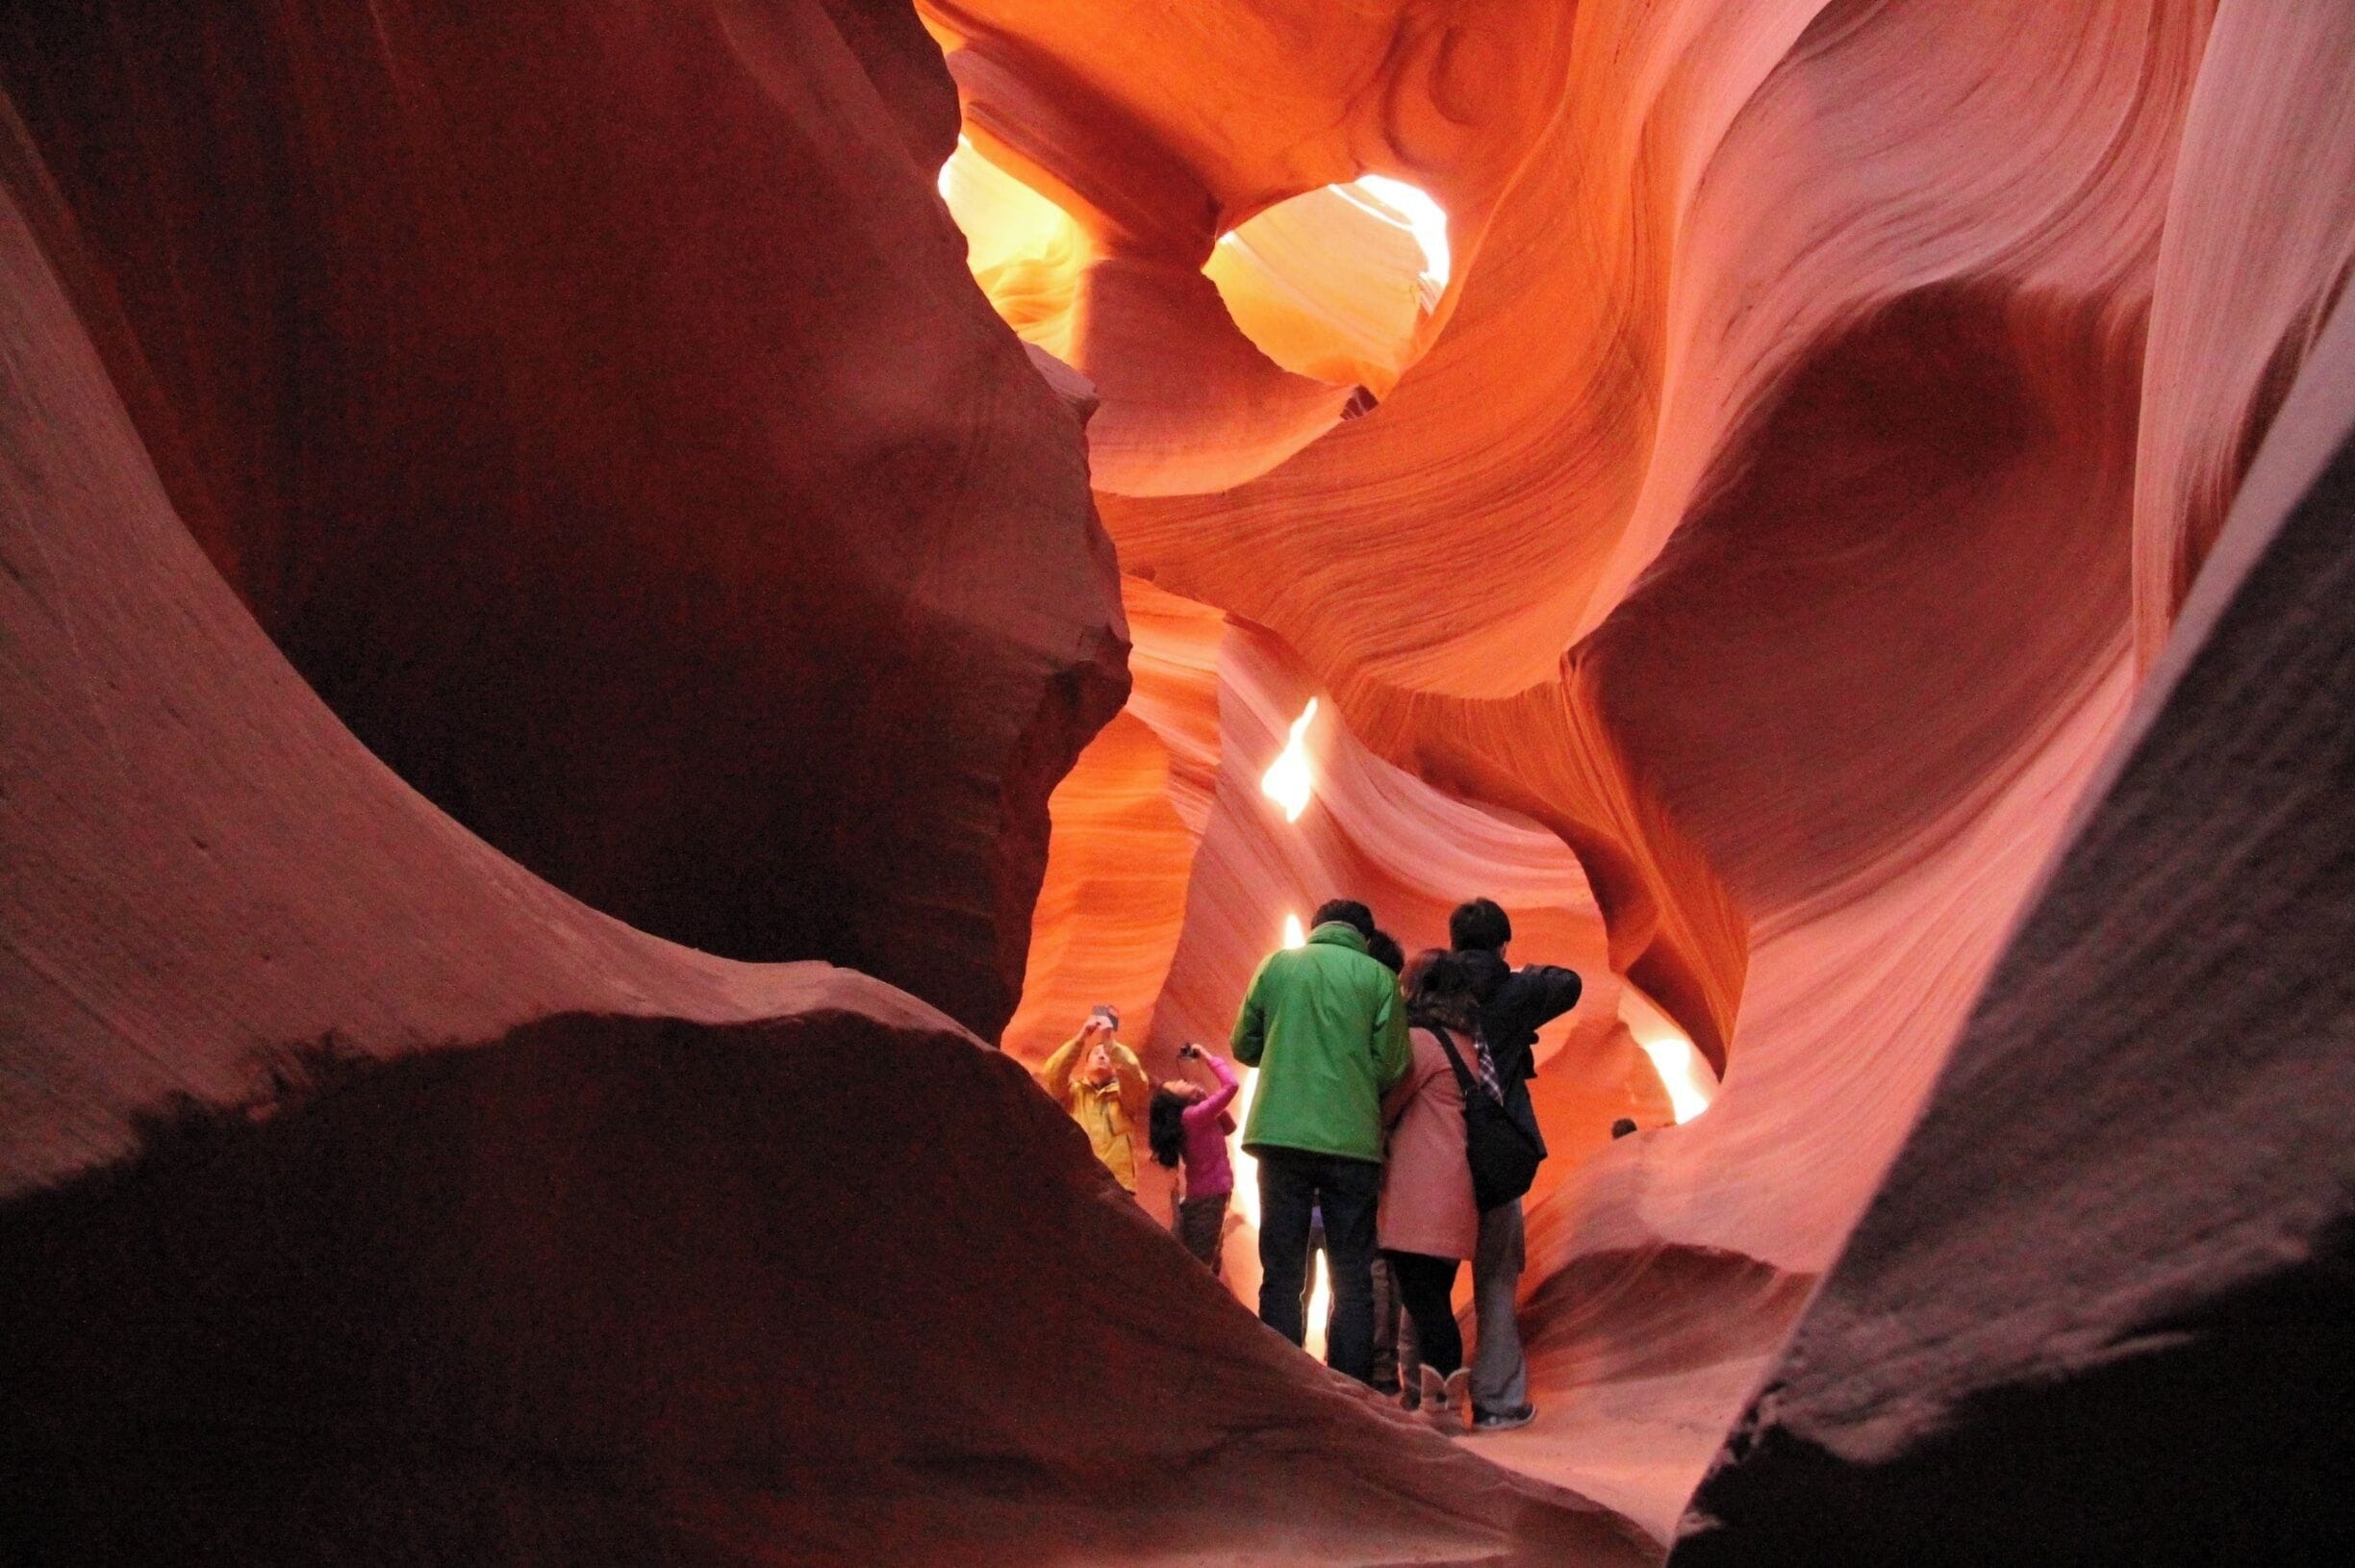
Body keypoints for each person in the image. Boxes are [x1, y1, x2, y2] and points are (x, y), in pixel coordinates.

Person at [1231, 898, 1411, 1384]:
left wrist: (1287, 1053)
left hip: (1279, 1135)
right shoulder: (1379, 979)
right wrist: (1354, 1080)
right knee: (1352, 1278)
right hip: (1351, 1144)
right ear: (1364, 938)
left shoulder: (1276, 966)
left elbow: (1243, 1044)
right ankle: (1349, 1388)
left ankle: (1281, 1385)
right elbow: (1394, 1065)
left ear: (1317, 928)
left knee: (1281, 1272)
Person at [1449, 898, 1583, 1432]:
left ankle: (1421, 1396)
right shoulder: (1517, 992)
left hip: (1435, 1151)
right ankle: (1497, 1402)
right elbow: (1568, 983)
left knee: (1426, 1281)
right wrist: (1522, 973)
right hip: (1497, 1156)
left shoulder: (1432, 991)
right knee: (1497, 1279)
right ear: (1502, 944)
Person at [1379, 949, 1485, 1427]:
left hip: (1421, 1194)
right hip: (1455, 1194)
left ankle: (1439, 1410)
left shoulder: (1421, 1042)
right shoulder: (1466, 1044)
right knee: (1433, 1300)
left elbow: (1388, 1105)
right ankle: (1441, 1404)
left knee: (1426, 1304)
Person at [1039, 1006, 1152, 1195]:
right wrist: (1081, 1037)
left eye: (1106, 1054)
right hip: (1078, 1180)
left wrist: (1109, 1042)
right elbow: (1052, 1073)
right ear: (1085, 1066)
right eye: (1096, 1053)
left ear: (1114, 1067)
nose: (1102, 1055)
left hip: (1118, 1185)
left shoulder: (1125, 1097)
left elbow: (1134, 1074)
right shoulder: (1072, 1094)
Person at [1148, 1044, 1240, 1275]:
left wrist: (1205, 1097)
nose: (1183, 1081)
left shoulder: (1196, 1114)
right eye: (1177, 1084)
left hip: (1211, 1195)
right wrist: (1208, 1056)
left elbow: (1229, 1127)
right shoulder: (1192, 1117)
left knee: (1206, 1256)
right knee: (1201, 1264)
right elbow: (1232, 1085)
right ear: (1175, 1101)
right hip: (1209, 1198)